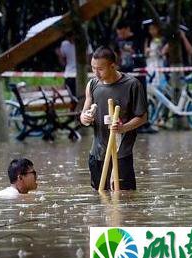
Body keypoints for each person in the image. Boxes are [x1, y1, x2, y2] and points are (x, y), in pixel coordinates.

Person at [80, 46, 148, 190]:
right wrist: (85, 118)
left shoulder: (132, 84)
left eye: (100, 69)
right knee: (99, 200)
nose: (96, 73)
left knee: (125, 200)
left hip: (121, 154)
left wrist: (123, 128)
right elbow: (83, 113)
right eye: (93, 68)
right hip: (97, 153)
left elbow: (142, 118)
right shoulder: (92, 84)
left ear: (112, 66)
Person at [113, 20, 157, 134]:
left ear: (128, 29)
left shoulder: (138, 38)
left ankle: (144, 123)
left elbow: (141, 52)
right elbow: (116, 54)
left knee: (141, 97)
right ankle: (130, 123)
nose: (121, 36)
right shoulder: (117, 41)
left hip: (138, 71)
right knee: (128, 99)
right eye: (119, 34)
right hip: (125, 73)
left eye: (122, 33)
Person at [55, 32, 92, 96]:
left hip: (80, 75)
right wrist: (59, 56)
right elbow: (63, 63)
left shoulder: (85, 44)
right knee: (75, 99)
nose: (69, 40)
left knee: (81, 98)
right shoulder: (64, 44)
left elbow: (89, 58)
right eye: (68, 38)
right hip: (71, 75)